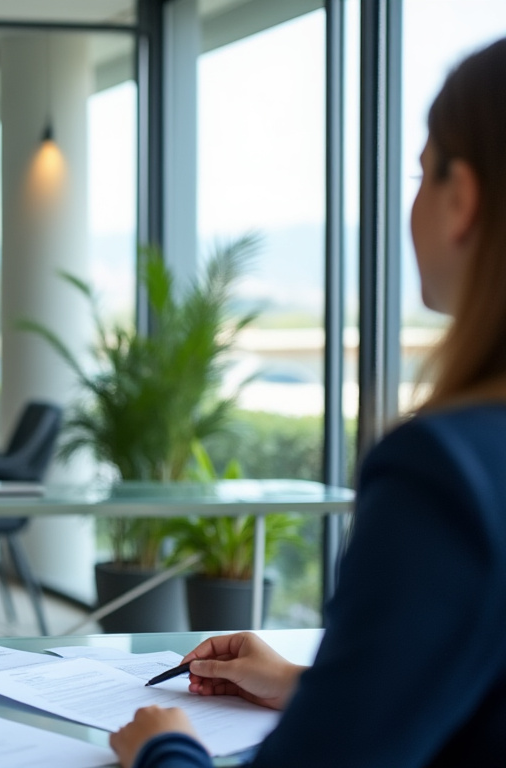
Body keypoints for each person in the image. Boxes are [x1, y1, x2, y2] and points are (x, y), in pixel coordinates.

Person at [110, 36, 506, 768]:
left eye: (421, 173)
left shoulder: (447, 472)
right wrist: (310, 686)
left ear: (464, 199)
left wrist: (166, 750)